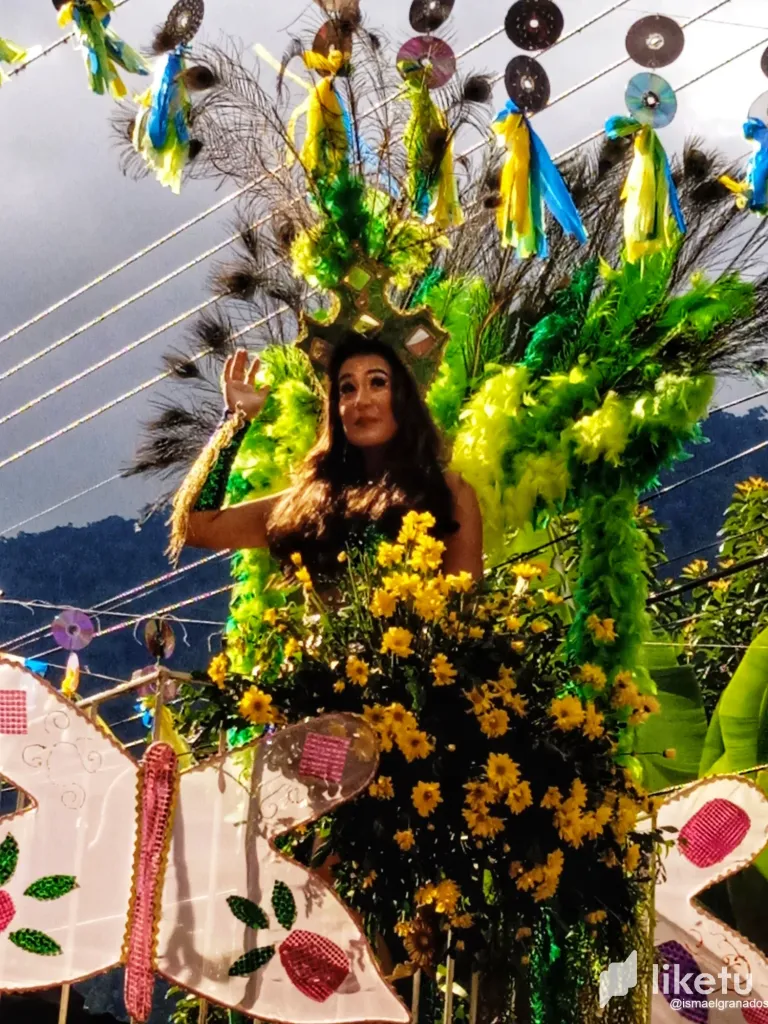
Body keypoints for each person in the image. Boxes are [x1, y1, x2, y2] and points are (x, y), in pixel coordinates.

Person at [185, 333, 483, 581]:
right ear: (336, 411)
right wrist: (235, 422)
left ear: (402, 399)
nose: (361, 401)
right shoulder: (307, 505)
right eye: (347, 389)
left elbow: (463, 611)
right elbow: (196, 525)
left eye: (377, 383)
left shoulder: (446, 493)